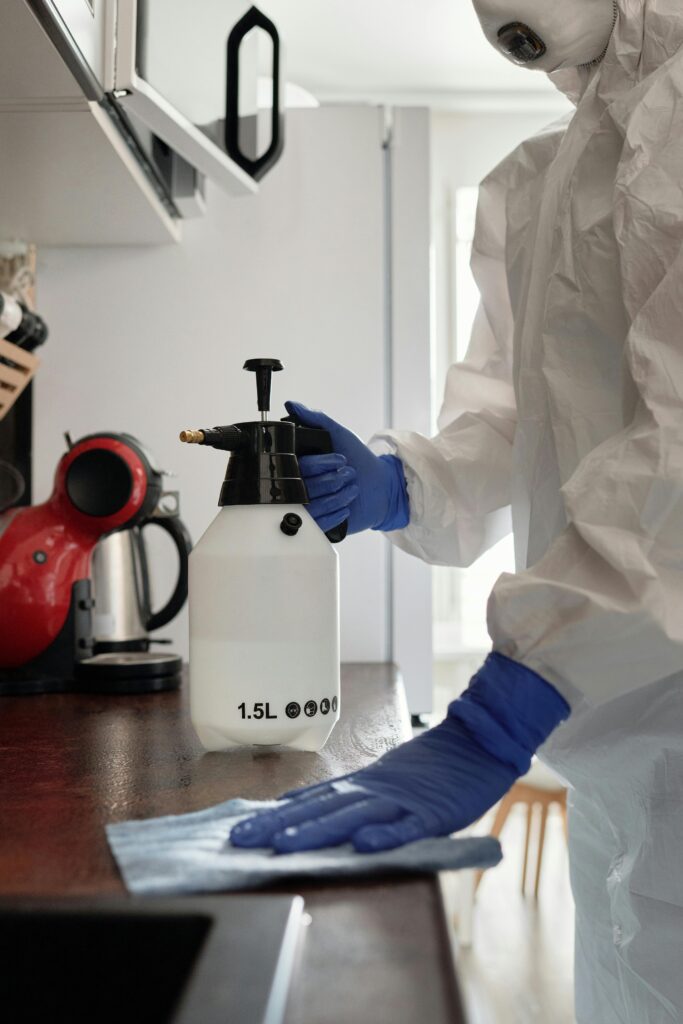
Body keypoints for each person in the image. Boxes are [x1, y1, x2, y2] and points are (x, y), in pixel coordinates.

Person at [232, 1, 683, 1019]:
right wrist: (407, 479)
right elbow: (517, 417)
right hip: (612, 747)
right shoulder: (545, 177)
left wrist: (503, 705)